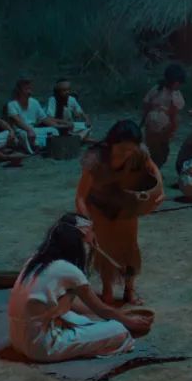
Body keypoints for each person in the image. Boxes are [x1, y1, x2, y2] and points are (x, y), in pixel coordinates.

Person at [8, 213, 153, 362]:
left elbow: (75, 304)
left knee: (79, 316)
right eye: (92, 231)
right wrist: (129, 322)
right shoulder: (68, 270)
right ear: (81, 238)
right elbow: (101, 309)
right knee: (119, 330)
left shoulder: (35, 260)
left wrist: (114, 316)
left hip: (18, 341)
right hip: (42, 347)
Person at [75, 120, 164, 306]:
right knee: (105, 249)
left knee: (129, 248)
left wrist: (159, 190)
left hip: (125, 203)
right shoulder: (95, 159)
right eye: (121, 149)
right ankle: (107, 290)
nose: (126, 153)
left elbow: (152, 167)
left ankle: (129, 290)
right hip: (99, 206)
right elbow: (81, 197)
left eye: (130, 150)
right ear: (111, 143)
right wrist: (86, 225)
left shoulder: (138, 152)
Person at [141, 64, 187, 168]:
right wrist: (172, 128)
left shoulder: (156, 89)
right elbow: (174, 114)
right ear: (176, 82)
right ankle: (153, 169)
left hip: (151, 124)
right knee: (160, 152)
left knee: (152, 149)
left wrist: (145, 118)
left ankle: (151, 168)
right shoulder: (173, 94)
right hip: (162, 127)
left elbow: (146, 103)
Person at [6, 78, 62, 151]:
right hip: (21, 131)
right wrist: (29, 130)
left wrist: (58, 126)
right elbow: (17, 121)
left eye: (30, 89)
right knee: (24, 135)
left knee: (54, 131)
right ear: (19, 90)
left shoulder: (34, 102)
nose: (29, 91)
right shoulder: (12, 104)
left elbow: (44, 118)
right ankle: (35, 147)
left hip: (33, 130)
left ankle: (42, 147)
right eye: (26, 89)